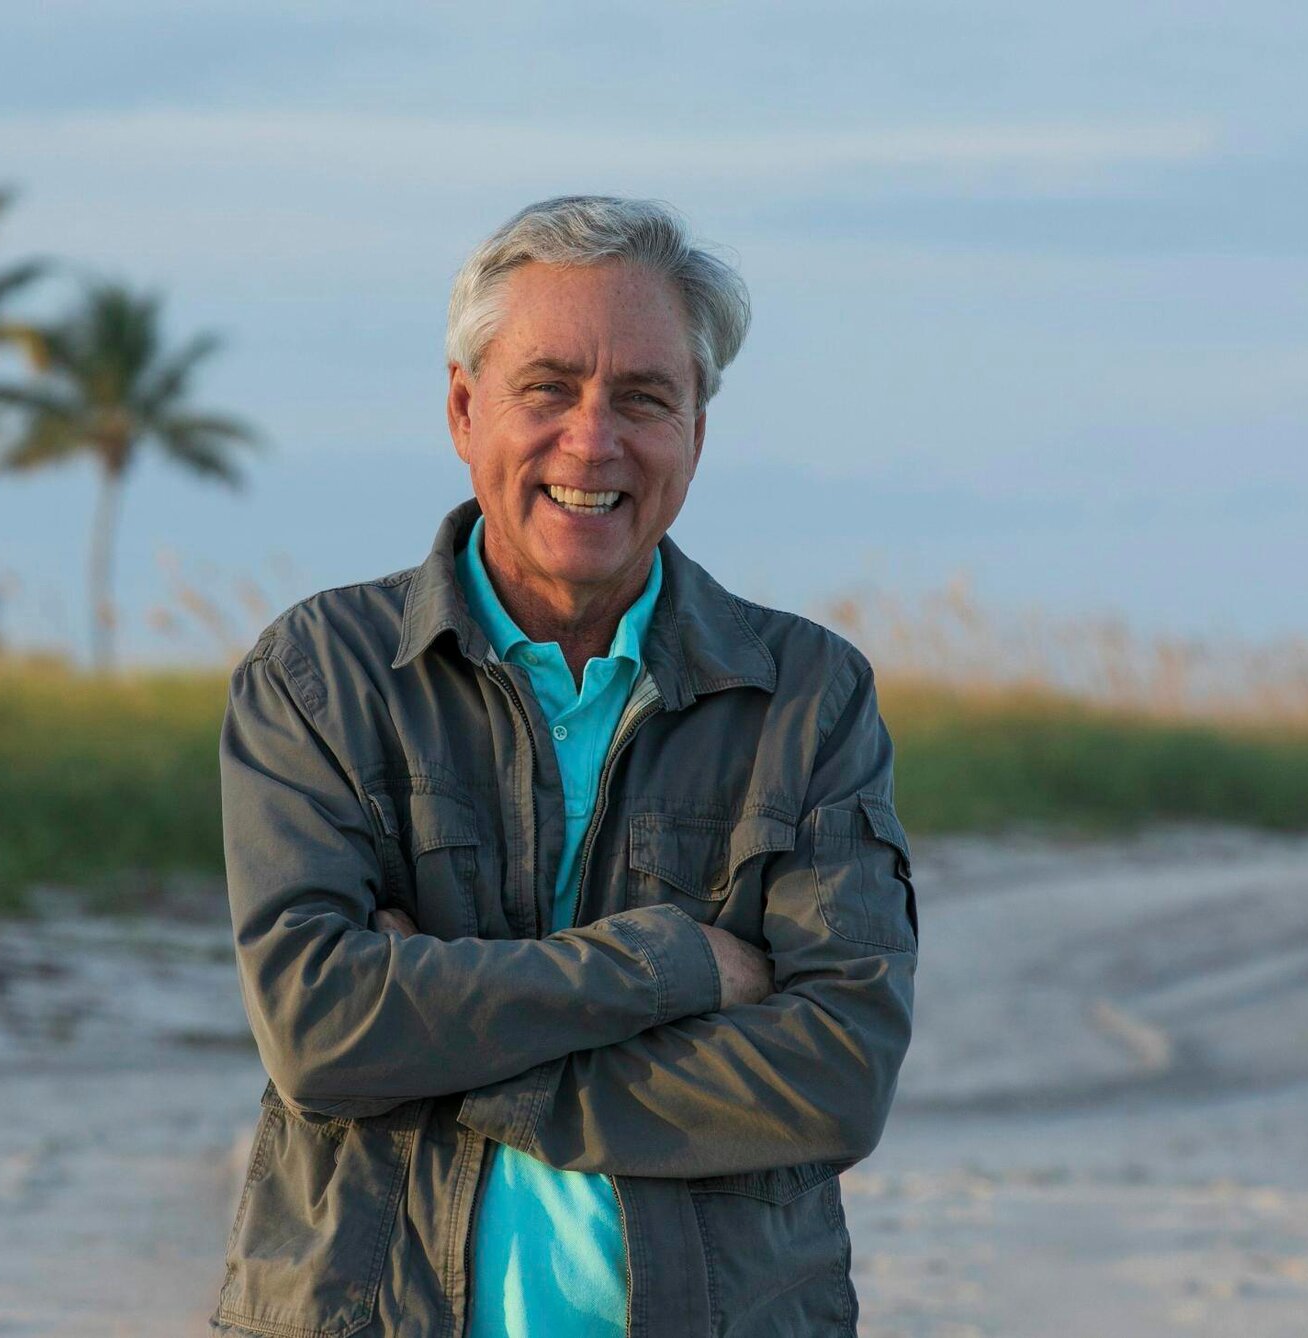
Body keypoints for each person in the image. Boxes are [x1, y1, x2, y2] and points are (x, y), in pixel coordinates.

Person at [212, 195, 917, 1337]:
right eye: (546, 388)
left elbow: (834, 1075)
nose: (592, 441)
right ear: (461, 407)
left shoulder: (807, 698)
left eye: (644, 397)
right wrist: (671, 966)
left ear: (695, 430)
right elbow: (322, 1032)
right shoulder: (320, 676)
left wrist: (454, 1058)